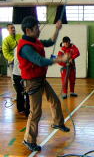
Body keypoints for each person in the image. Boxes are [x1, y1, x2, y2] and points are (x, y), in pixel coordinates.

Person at [17, 16, 70, 152]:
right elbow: (39, 61)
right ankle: (28, 140)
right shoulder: (25, 47)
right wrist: (59, 59)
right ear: (28, 30)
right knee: (35, 113)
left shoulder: (35, 41)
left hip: (40, 78)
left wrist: (57, 29)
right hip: (32, 82)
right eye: (36, 28)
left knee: (54, 101)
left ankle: (57, 123)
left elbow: (51, 41)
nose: (38, 30)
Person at [13, 47, 30, 116]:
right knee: (21, 93)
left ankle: (26, 110)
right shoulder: (22, 48)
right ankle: (22, 109)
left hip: (20, 74)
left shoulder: (19, 48)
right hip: (19, 74)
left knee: (24, 93)